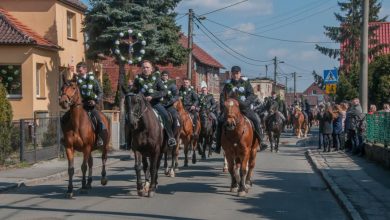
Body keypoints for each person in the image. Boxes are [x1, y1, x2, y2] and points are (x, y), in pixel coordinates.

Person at [215, 65, 262, 154]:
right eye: (233, 73)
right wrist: (223, 106)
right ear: (231, 74)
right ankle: (218, 145)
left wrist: (246, 103)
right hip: (231, 110)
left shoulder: (246, 83)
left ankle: (260, 142)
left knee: (256, 120)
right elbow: (222, 96)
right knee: (220, 121)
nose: (235, 75)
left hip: (244, 108)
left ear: (240, 73)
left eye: (237, 73)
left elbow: (252, 95)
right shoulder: (228, 84)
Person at [131, 60, 177, 148]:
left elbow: (164, 91)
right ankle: (130, 141)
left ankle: (170, 137)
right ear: (141, 69)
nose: (145, 69)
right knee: (130, 117)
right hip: (141, 105)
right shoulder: (138, 79)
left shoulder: (157, 79)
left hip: (154, 103)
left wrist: (152, 96)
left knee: (166, 115)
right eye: (144, 67)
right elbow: (134, 91)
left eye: (147, 67)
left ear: (151, 69)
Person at [73, 62, 106, 146]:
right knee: (65, 118)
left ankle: (99, 138)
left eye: (80, 71)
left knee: (99, 120)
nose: (79, 72)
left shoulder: (93, 80)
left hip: (91, 105)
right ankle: (65, 138)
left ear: (85, 70)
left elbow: (100, 92)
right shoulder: (76, 81)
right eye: (78, 71)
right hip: (79, 105)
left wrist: (95, 101)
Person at [160, 70, 180, 134]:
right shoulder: (158, 83)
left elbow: (176, 95)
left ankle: (172, 135)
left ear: (168, 77)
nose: (164, 76)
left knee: (175, 116)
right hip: (159, 105)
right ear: (161, 76)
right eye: (163, 75)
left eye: (166, 75)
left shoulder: (172, 85)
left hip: (168, 105)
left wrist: (172, 101)